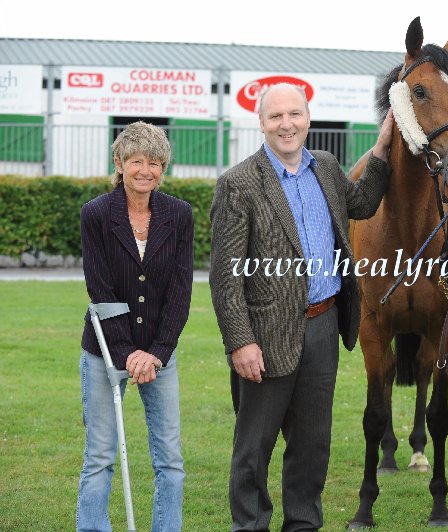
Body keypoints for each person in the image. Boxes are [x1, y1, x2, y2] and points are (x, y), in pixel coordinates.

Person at [209, 83, 393, 532]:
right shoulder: (238, 184)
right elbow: (226, 275)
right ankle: (250, 526)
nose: (286, 124)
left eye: (294, 114)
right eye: (276, 117)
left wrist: (384, 148)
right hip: (264, 337)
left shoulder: (326, 168)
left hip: (323, 326)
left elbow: (364, 202)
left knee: (312, 446)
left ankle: (303, 524)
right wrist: (241, 342)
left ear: (308, 118)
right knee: (254, 449)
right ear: (262, 123)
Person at [77, 121, 194, 532]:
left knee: (170, 460)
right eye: (137, 161)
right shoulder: (95, 214)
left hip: (160, 354)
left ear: (163, 168)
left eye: (155, 162)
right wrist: (128, 353)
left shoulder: (179, 215)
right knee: (100, 456)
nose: (146, 170)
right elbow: (101, 289)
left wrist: (157, 353)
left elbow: (181, 290)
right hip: (106, 351)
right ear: (120, 163)